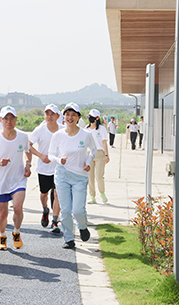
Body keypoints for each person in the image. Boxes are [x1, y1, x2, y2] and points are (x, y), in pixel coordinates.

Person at [49, 103, 97, 249]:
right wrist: (59, 160)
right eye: (67, 114)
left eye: (73, 115)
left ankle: (82, 226)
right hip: (62, 175)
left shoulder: (86, 135)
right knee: (66, 210)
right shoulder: (58, 135)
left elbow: (93, 150)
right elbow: (50, 154)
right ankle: (69, 239)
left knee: (77, 210)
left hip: (80, 176)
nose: (70, 117)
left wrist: (88, 162)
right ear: (63, 117)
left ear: (78, 118)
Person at [0, 106, 32, 250]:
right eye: (6, 118)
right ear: (0, 120)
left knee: (18, 207)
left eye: (12, 118)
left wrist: (28, 164)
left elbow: (28, 151)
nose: (9, 121)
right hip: (1, 181)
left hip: (18, 179)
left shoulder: (23, 136)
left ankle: (16, 232)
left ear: (16, 119)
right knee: (2, 214)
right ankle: (2, 236)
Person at [29, 104, 62, 233]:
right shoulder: (39, 130)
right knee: (44, 194)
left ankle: (55, 221)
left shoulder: (63, 129)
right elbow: (28, 145)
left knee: (57, 193)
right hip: (43, 168)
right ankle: (45, 209)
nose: (49, 116)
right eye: (47, 113)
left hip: (58, 168)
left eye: (52, 114)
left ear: (58, 116)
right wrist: (41, 156)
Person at [86, 109, 110, 205]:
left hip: (100, 154)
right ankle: (92, 196)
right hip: (89, 154)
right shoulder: (86, 129)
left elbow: (104, 142)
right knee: (90, 176)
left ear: (97, 118)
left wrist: (107, 155)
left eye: (92, 116)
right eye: (89, 116)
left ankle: (102, 193)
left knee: (99, 176)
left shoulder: (102, 129)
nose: (90, 118)